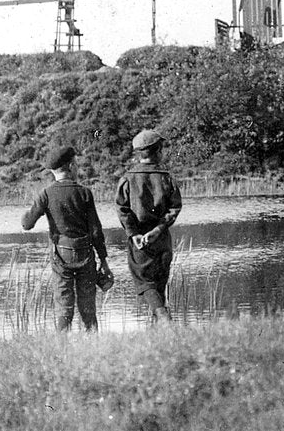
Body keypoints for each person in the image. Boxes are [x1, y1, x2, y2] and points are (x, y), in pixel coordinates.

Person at [22, 145, 112, 332]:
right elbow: (96, 230)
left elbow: (27, 224)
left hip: (61, 256)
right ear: (71, 166)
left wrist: (32, 208)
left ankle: (61, 342)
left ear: (53, 171)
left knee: (64, 304)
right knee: (87, 305)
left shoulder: (46, 194)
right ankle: (93, 342)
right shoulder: (84, 192)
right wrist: (103, 260)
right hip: (85, 254)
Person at [115, 128, 182, 323]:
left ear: (138, 154)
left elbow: (122, 209)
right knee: (159, 285)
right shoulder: (167, 177)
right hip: (162, 237)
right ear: (158, 151)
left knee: (145, 283)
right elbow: (175, 207)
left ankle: (163, 320)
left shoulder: (127, 179)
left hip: (140, 241)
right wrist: (158, 229)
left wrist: (133, 233)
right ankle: (161, 325)